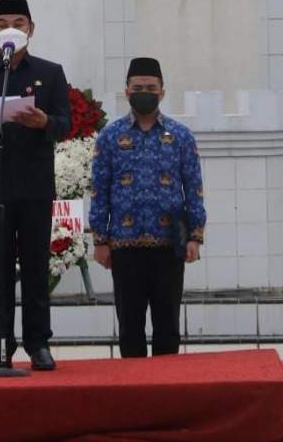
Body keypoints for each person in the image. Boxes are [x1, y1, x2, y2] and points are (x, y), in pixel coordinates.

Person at [0, 0, 71, 371]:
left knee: (37, 266)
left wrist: (44, 123)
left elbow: (65, 123)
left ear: (31, 29)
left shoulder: (51, 73)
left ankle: (38, 343)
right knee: (1, 267)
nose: (11, 29)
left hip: (36, 184)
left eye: (19, 23)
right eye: (2, 22)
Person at [89, 57, 205, 358]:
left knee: (167, 326)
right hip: (124, 246)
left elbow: (193, 189)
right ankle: (133, 393)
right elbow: (99, 192)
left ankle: (167, 395)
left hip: (170, 245)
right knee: (129, 326)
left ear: (162, 92)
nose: (144, 92)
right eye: (138, 87)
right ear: (127, 91)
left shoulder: (180, 136)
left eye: (151, 87)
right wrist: (100, 241)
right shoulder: (111, 136)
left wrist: (195, 236)